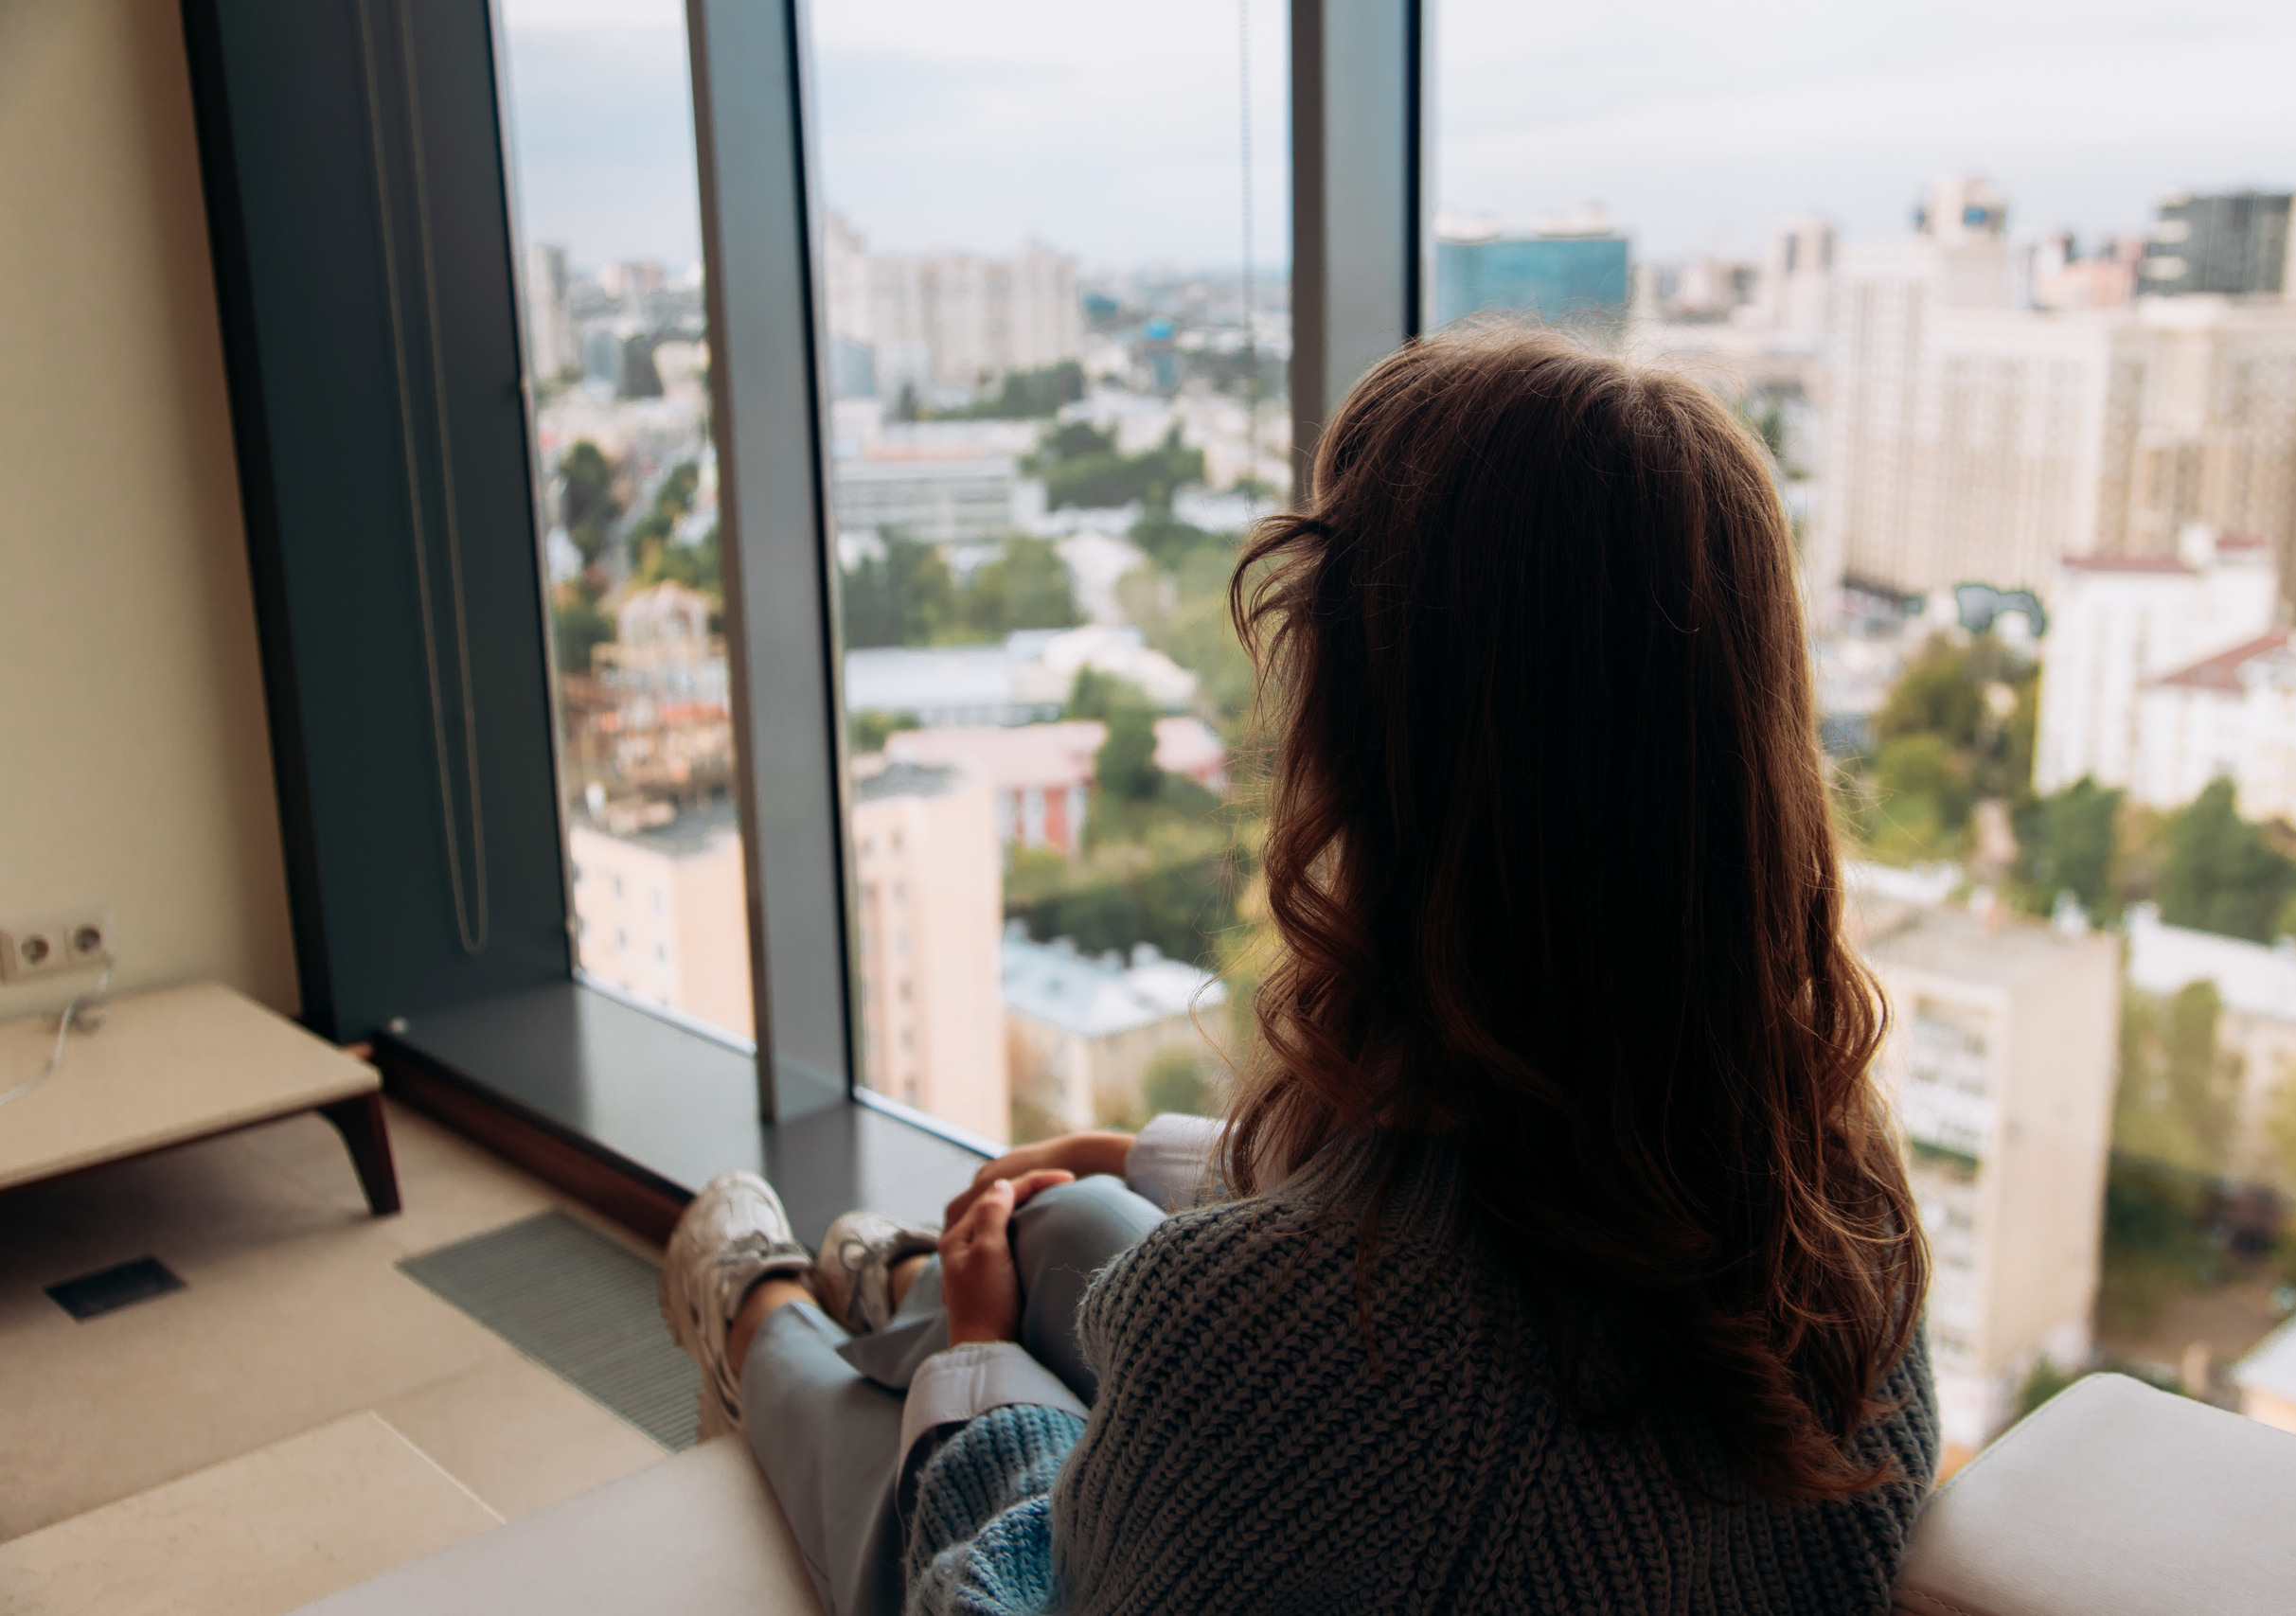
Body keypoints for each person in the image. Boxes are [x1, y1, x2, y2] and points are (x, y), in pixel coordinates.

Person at [660, 328, 1938, 1616]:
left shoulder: (1264, 1345)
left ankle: (761, 1311)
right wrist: (1147, 1161)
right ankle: (926, 1286)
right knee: (1064, 1222)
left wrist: (984, 1381)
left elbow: (1002, 1598)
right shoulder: (1846, 1205)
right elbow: (1523, 1210)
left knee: (902, 1446)